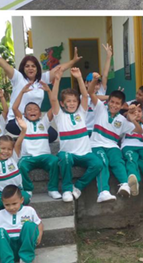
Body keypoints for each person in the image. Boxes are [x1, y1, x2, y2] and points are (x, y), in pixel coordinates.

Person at [0, 39, 82, 135]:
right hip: (16, 119)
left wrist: (73, 61)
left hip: (34, 119)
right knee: (31, 131)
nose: (30, 68)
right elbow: (4, 65)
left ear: (37, 69)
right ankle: (21, 145)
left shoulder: (42, 79)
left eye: (33, 66)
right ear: (23, 68)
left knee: (52, 135)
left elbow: (59, 69)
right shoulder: (18, 78)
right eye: (27, 66)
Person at [49, 67, 116, 203]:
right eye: (68, 101)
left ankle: (78, 187)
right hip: (68, 153)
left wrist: (79, 78)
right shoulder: (60, 115)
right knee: (65, 158)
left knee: (98, 164)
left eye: (74, 101)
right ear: (63, 104)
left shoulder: (81, 113)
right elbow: (53, 99)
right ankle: (67, 189)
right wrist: (57, 80)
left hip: (85, 153)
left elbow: (85, 96)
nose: (72, 103)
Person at [88, 43, 138, 197]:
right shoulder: (100, 105)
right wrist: (93, 83)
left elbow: (104, 75)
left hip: (110, 140)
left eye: (118, 103)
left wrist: (109, 56)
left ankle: (125, 186)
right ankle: (103, 191)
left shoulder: (119, 117)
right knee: (102, 161)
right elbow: (90, 93)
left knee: (117, 159)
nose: (115, 105)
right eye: (113, 102)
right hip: (93, 132)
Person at [12, 79, 62, 201]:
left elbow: (54, 105)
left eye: (35, 109)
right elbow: (14, 107)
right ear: (24, 114)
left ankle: (53, 189)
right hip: (28, 157)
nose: (32, 111)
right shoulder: (22, 123)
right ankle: (28, 189)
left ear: (40, 113)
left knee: (55, 161)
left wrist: (49, 90)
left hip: (44, 156)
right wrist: (22, 92)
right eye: (29, 110)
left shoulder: (44, 122)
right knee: (21, 165)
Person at [0, 185, 44, 263]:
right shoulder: (0, 214)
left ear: (22, 200)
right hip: (7, 247)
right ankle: (7, 261)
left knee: (30, 225)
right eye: (7, 205)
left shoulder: (29, 210)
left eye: (14, 203)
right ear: (2, 202)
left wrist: (39, 235)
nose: (11, 207)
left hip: (24, 244)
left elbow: (39, 224)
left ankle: (25, 259)